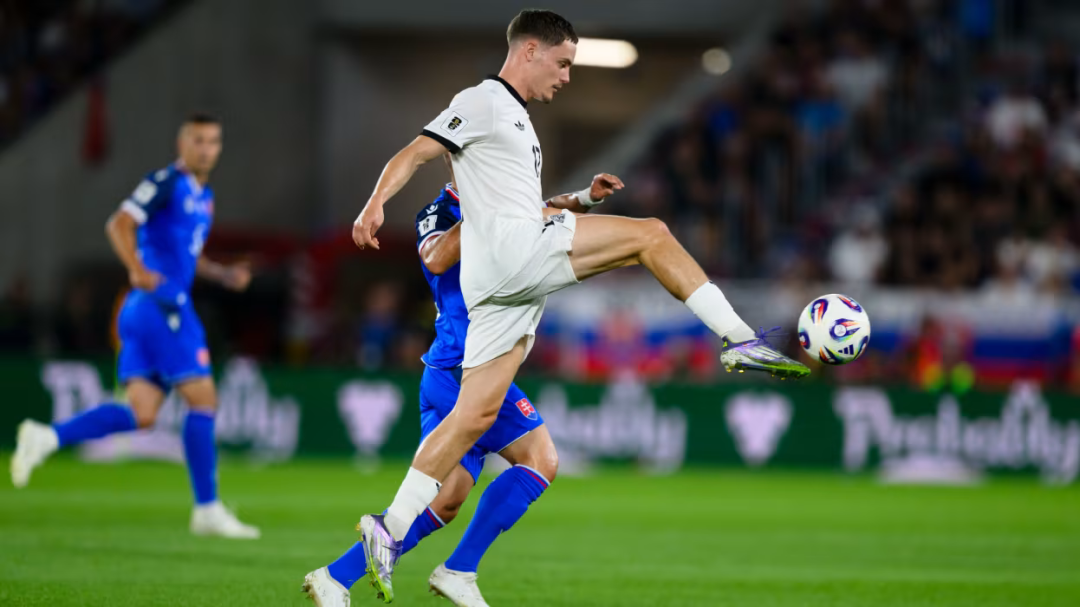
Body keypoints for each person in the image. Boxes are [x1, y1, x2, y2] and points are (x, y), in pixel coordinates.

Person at [350, 9, 809, 603]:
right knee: (651, 236)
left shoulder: (514, 121)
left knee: (473, 418)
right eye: (563, 63)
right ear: (530, 50)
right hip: (513, 261)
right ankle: (740, 338)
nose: (567, 76)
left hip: (496, 290)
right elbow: (414, 152)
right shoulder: (485, 100)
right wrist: (374, 204)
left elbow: (527, 204)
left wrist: (581, 201)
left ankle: (388, 528)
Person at [303, 162, 623, 607]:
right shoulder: (437, 214)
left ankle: (334, 577)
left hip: (455, 368)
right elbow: (434, 255)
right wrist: (486, 212)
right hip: (464, 367)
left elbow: (547, 207)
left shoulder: (504, 206)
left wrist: (586, 198)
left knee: (447, 499)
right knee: (540, 459)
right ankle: (459, 570)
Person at [9, 113, 260, 539]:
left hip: (145, 310)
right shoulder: (165, 182)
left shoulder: (204, 196)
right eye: (198, 141)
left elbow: (188, 253)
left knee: (142, 413)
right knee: (203, 400)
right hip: (162, 306)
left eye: (213, 142)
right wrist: (136, 268)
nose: (206, 149)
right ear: (182, 144)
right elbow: (119, 224)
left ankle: (47, 437)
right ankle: (207, 508)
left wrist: (222, 274)